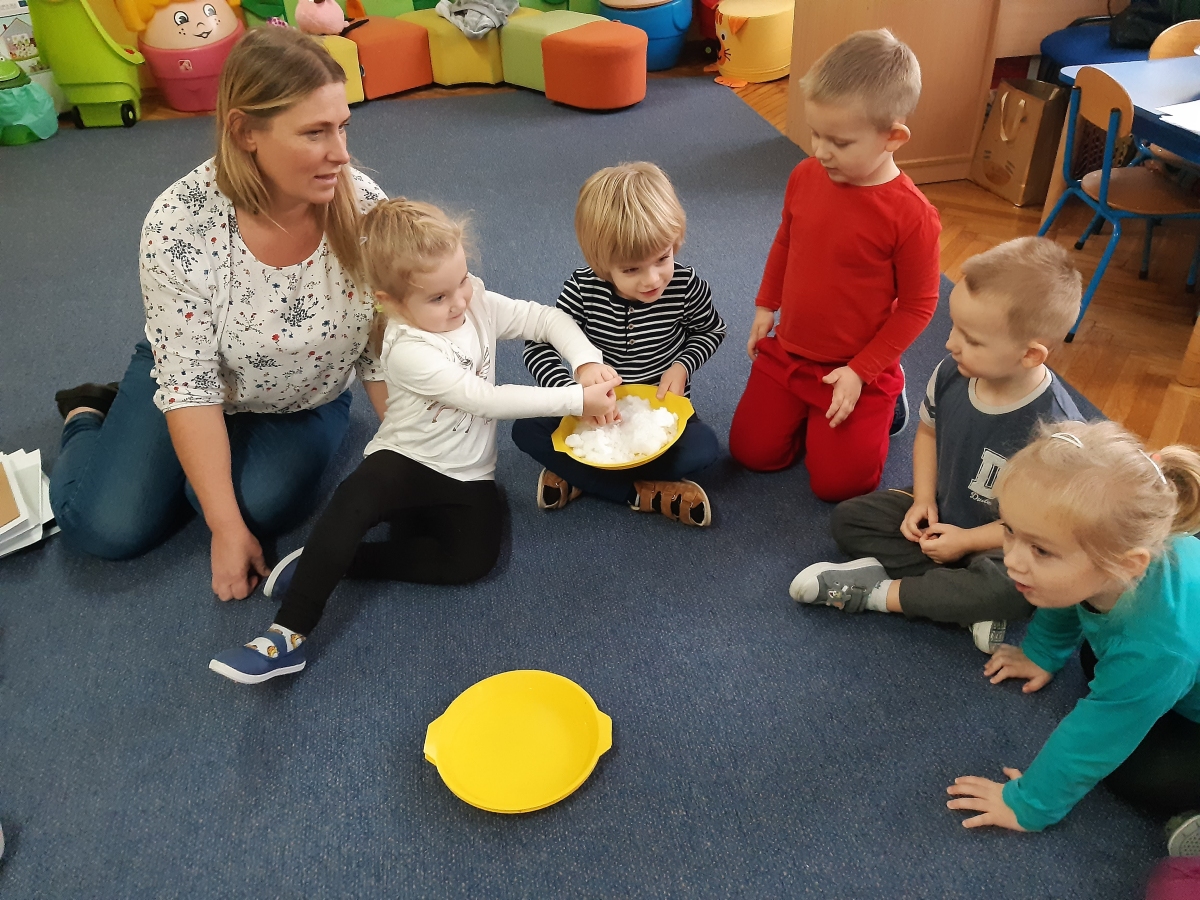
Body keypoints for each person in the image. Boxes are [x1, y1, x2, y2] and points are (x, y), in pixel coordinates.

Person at [208, 199, 619, 683]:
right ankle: (286, 636)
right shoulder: (408, 348)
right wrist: (576, 399)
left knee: (472, 562)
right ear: (392, 302)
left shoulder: (473, 301)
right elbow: (484, 400)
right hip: (406, 459)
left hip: (468, 472)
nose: (460, 301)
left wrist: (585, 362)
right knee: (352, 502)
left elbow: (546, 320)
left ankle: (333, 561)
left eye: (462, 280)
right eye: (439, 297)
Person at [49, 28, 390, 602]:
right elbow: (188, 385)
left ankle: (195, 469)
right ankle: (87, 413)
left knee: (260, 505)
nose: (341, 153)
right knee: (107, 529)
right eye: (315, 132)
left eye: (343, 126)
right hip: (196, 375)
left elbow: (381, 354)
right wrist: (224, 527)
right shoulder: (179, 223)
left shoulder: (363, 208)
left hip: (307, 391)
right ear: (245, 131)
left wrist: (418, 458)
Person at [790, 238, 1084, 652]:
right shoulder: (952, 372)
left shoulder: (1057, 432)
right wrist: (924, 499)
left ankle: (881, 594)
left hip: (1004, 542)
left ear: (1030, 355)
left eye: (972, 339)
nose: (950, 343)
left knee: (1015, 589)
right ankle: (961, 601)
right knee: (850, 520)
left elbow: (1043, 531)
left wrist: (966, 542)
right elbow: (928, 433)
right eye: (954, 326)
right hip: (944, 511)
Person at [943, 420, 1200, 834]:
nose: (1012, 560)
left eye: (1040, 550)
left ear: (1127, 564)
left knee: (1133, 771)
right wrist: (1041, 652)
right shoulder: (1113, 560)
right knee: (1095, 659)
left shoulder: (1157, 647)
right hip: (1164, 656)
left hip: (1173, 670)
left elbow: (1095, 738)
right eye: (1009, 530)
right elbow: (1062, 595)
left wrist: (1028, 804)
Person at [727, 28, 941, 503]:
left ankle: (890, 398)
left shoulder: (912, 216)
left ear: (893, 137)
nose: (821, 151)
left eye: (839, 142)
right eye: (816, 134)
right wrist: (766, 304)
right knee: (751, 452)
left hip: (855, 366)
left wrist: (862, 371)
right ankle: (812, 419)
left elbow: (919, 306)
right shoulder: (806, 174)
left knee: (841, 486)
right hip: (791, 351)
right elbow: (786, 240)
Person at [512, 162, 726, 527]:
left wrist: (682, 365)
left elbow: (711, 331)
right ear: (602, 264)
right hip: (590, 412)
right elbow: (537, 347)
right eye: (631, 269)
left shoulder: (687, 286)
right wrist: (573, 396)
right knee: (524, 429)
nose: (652, 279)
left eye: (663, 258)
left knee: (705, 449)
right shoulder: (583, 289)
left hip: (658, 411)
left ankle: (579, 474)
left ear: (675, 242)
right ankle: (638, 492)